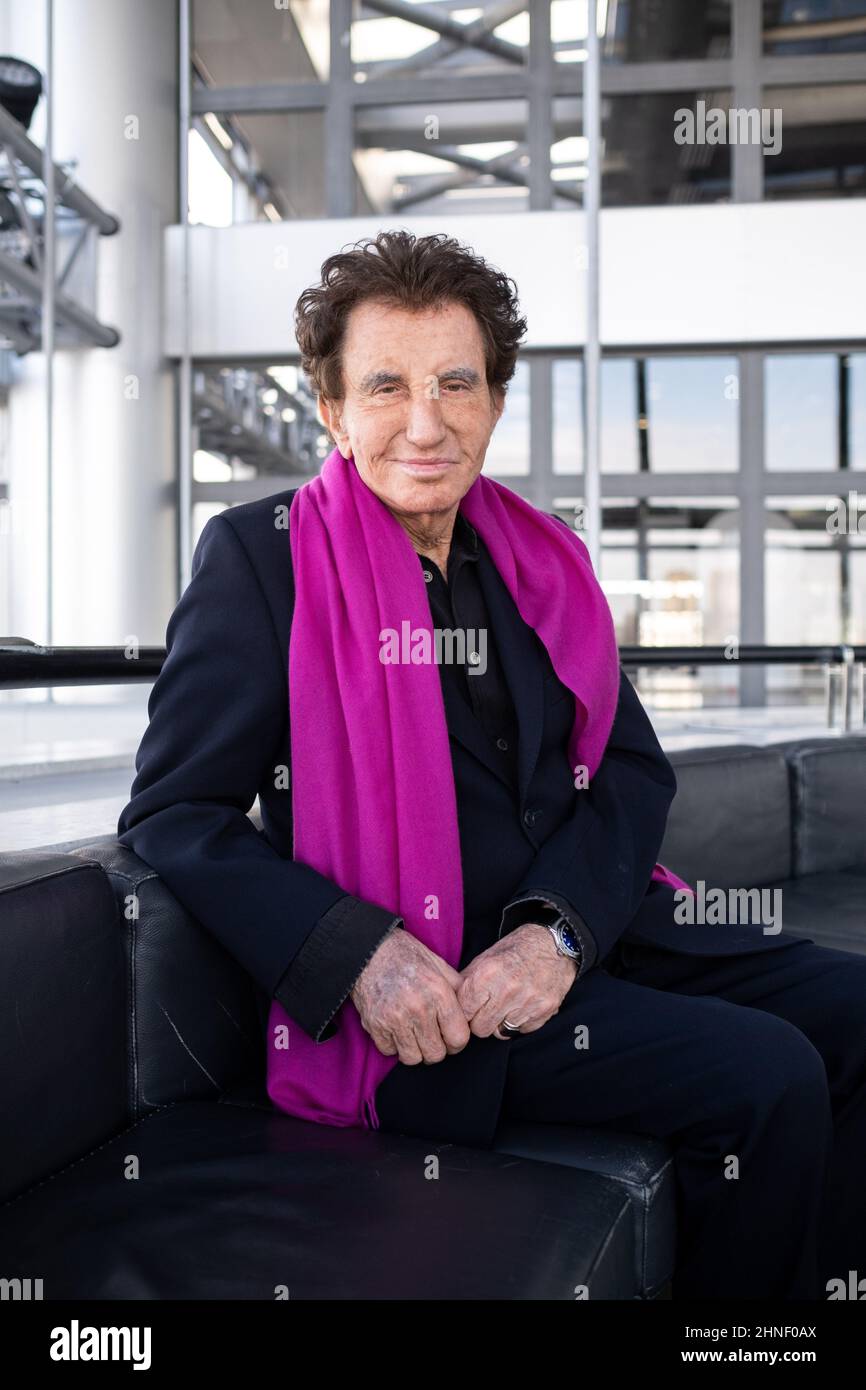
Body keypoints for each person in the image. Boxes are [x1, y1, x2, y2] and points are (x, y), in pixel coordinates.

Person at [118, 229, 866, 1300]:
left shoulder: (540, 558)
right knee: (770, 1077)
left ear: (494, 401)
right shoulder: (259, 556)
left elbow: (626, 774)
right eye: (384, 387)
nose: (424, 423)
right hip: (440, 996)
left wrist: (556, 930)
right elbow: (174, 811)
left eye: (454, 383)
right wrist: (358, 957)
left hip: (582, 934)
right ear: (332, 411)